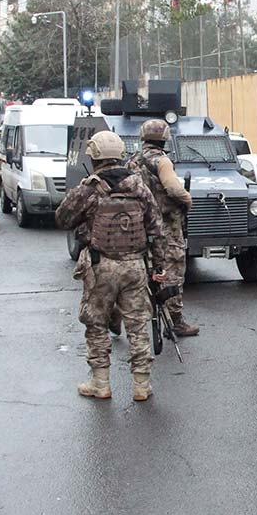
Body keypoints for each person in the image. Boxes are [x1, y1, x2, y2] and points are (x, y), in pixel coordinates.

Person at [56, 130, 167, 402]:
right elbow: (156, 230)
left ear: (94, 157)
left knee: (96, 324)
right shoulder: (139, 187)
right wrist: (159, 267)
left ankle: (100, 383)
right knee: (138, 325)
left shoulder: (89, 188)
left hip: (100, 266)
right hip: (135, 267)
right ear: (120, 154)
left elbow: (62, 218)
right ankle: (142, 385)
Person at [128, 119, 198, 337]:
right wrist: (188, 200)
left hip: (140, 225)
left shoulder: (132, 161)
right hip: (166, 226)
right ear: (164, 138)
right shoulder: (162, 161)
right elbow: (173, 189)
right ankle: (175, 321)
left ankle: (124, 316)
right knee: (173, 271)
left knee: (141, 272)